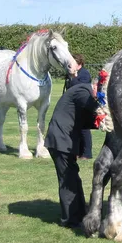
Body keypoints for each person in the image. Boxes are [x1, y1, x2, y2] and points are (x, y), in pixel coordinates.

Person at [44, 81, 99, 228]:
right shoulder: (83, 90)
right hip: (60, 141)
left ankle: (80, 214)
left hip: (64, 141)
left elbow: (89, 120)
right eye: (99, 92)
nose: (98, 97)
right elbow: (94, 108)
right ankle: (70, 220)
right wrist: (106, 112)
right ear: (94, 86)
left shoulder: (84, 93)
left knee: (73, 178)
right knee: (68, 181)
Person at [63, 54, 93, 160]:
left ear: (79, 64)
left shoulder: (84, 74)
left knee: (84, 130)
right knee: (74, 129)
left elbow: (80, 88)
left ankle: (87, 153)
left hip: (83, 104)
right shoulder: (70, 74)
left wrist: (74, 77)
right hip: (73, 104)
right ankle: (77, 151)